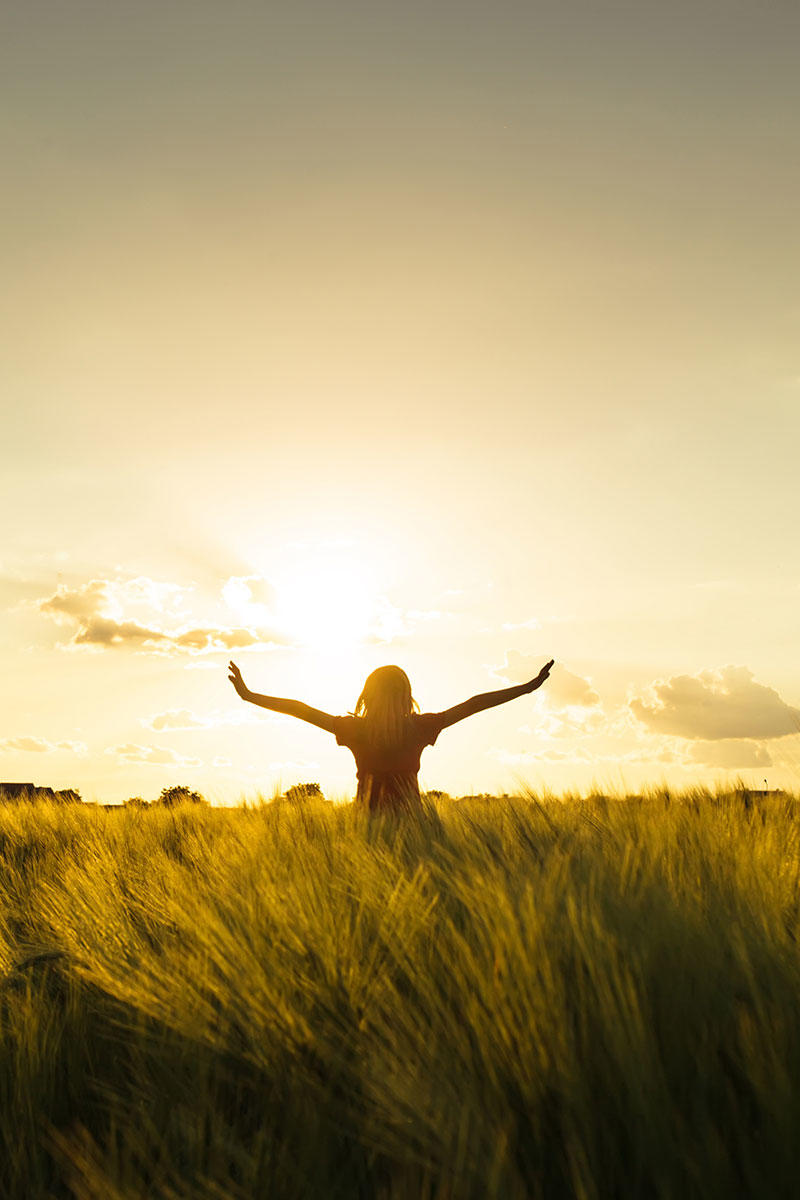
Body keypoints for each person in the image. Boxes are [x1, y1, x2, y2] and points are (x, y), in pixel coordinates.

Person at [228, 658, 554, 813]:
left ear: (366, 696)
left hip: (365, 824)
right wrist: (528, 687)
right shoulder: (421, 727)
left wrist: (249, 694)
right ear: (406, 694)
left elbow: (299, 708)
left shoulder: (354, 729)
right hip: (415, 824)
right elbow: (475, 704)